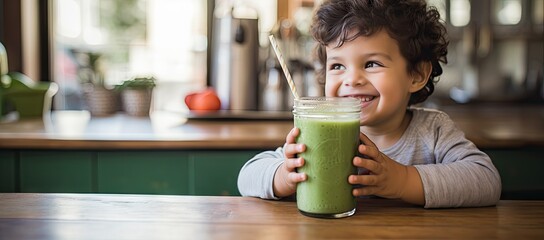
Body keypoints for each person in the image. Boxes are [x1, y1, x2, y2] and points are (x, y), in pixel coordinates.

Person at [237, 0, 501, 208]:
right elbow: (247, 175)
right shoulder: (318, 130)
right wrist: (283, 176)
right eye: (338, 65)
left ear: (417, 75)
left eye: (372, 64)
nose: (352, 79)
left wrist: (402, 180)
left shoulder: (432, 131)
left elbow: (486, 180)